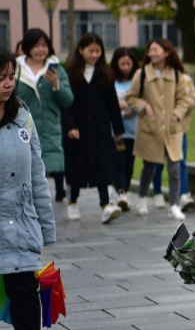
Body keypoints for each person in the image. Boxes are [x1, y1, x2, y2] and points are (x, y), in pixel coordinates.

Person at [0, 48, 56, 330]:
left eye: (11, 76)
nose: (8, 83)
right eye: (1, 78)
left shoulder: (23, 114)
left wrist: (46, 227)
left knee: (27, 310)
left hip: (21, 231)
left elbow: (37, 174)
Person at [62, 33, 125, 224]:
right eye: (91, 51)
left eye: (98, 51)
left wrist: (118, 129)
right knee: (75, 166)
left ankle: (105, 205)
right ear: (81, 50)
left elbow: (112, 104)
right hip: (77, 130)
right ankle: (72, 201)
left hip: (100, 129)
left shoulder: (105, 75)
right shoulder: (69, 73)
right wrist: (70, 126)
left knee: (102, 166)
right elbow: (65, 103)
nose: (94, 55)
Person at [126, 38, 190, 220]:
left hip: (172, 128)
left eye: (155, 50)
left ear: (167, 52)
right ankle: (142, 198)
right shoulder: (142, 74)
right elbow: (131, 97)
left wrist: (177, 114)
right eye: (150, 50)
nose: (151, 53)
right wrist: (143, 106)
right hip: (150, 128)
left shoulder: (176, 74)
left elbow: (183, 99)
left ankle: (174, 205)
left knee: (175, 167)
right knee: (149, 167)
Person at [14, 28, 73, 203]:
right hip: (21, 129)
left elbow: (68, 100)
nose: (41, 49)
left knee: (43, 173)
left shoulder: (56, 70)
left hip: (49, 130)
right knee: (24, 170)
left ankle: (39, 210)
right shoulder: (16, 69)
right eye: (36, 45)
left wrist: (56, 84)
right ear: (27, 47)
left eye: (44, 45)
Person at [151, 71, 195, 211]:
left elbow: (194, 99)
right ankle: (157, 193)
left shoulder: (185, 79)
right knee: (158, 162)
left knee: (180, 162)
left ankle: (183, 194)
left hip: (179, 129)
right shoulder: (158, 78)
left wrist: (180, 103)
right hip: (160, 129)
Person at [111, 47, 139, 210]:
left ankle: (124, 192)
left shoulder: (137, 82)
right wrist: (119, 109)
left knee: (129, 163)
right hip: (117, 131)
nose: (126, 67)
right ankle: (120, 192)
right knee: (118, 162)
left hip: (134, 131)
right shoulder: (111, 82)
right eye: (123, 64)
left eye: (129, 63)